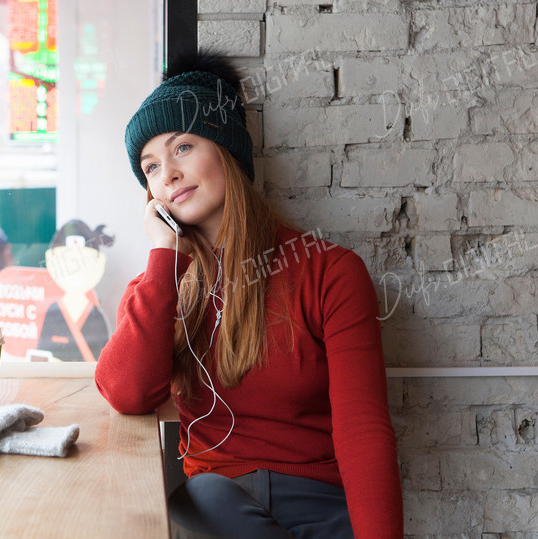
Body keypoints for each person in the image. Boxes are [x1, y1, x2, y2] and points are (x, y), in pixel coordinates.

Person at [94, 53, 404, 538]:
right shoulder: (161, 285)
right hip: (220, 505)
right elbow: (128, 393)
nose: (167, 175)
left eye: (183, 148)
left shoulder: (331, 272)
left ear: (227, 150)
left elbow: (363, 431)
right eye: (150, 167)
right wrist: (165, 258)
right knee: (207, 495)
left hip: (321, 508)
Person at [37, 219, 114, 361]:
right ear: (51, 261)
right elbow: (41, 355)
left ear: (98, 263)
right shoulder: (51, 312)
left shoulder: (97, 315)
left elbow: (105, 360)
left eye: (82, 263)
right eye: (66, 263)